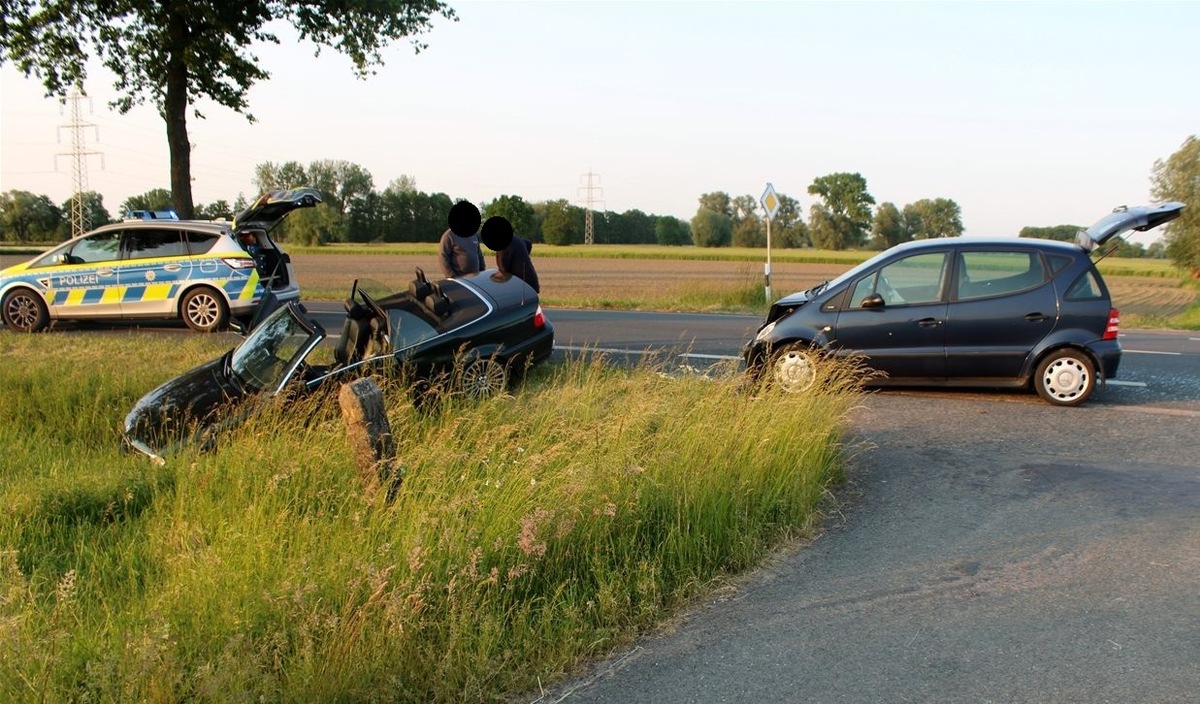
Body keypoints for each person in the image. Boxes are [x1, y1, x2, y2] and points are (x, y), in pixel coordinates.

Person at [480, 216, 539, 293]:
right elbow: (528, 243)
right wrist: (521, 258)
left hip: (522, 286)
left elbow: (503, 269)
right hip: (531, 281)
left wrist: (494, 276)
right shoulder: (514, 238)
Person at [438, 201, 485, 278]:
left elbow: (479, 255)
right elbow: (443, 258)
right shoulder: (449, 236)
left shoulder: (473, 235)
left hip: (475, 278)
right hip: (459, 279)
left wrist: (482, 272)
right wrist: (452, 276)